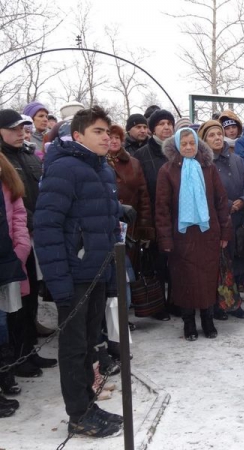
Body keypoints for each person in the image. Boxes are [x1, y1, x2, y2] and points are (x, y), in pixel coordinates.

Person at [33, 106, 123, 438]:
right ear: (78, 135)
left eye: (108, 132)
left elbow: (108, 226)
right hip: (73, 275)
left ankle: (88, 404)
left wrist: (110, 273)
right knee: (73, 348)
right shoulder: (64, 169)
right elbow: (46, 228)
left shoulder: (102, 169)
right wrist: (59, 283)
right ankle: (78, 414)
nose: (106, 137)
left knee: (88, 344)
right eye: (98, 132)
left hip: (97, 272)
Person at [155, 128, 232, 340]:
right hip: (181, 234)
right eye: (184, 143)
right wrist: (165, 239)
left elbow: (221, 201)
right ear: (177, 145)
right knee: (185, 280)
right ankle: (188, 323)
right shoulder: (167, 170)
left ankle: (208, 320)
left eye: (192, 143)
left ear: (198, 144)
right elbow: (162, 208)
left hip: (208, 232)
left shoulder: (209, 168)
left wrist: (225, 230)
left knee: (207, 279)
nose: (189, 147)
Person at [0, 110, 55, 377]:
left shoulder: (29, 156)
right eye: (14, 129)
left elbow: (39, 193)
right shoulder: (4, 159)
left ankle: (29, 351)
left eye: (23, 128)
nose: (21, 133)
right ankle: (16, 357)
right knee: (13, 304)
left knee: (31, 294)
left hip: (33, 236)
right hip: (14, 239)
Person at [198, 120, 244, 319]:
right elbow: (206, 192)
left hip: (239, 217)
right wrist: (228, 204)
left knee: (237, 261)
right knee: (219, 263)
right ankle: (218, 304)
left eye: (219, 134)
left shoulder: (236, 159)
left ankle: (234, 303)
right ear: (204, 139)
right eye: (211, 135)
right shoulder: (203, 163)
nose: (217, 138)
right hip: (217, 219)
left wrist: (243, 201)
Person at [133, 109, 175, 321]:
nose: (166, 127)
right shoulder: (141, 155)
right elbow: (140, 190)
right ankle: (159, 306)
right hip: (154, 216)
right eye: (161, 124)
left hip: (176, 217)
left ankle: (176, 301)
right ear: (152, 129)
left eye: (169, 123)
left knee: (176, 262)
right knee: (157, 263)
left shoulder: (178, 151)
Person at [0, 152, 30, 413]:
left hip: (6, 258)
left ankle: (5, 374)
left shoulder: (5, 173)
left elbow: (18, 214)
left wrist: (20, 247)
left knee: (2, 321)